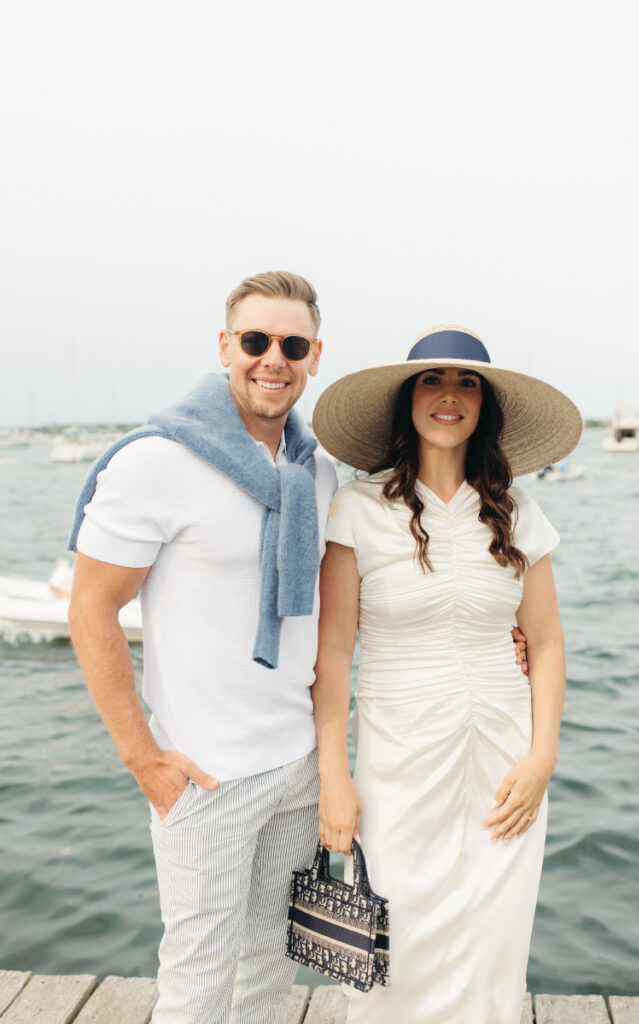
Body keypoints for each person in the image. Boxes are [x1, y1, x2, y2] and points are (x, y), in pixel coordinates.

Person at [68, 271, 338, 1024]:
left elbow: (342, 607)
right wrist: (141, 756)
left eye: (291, 344)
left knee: (267, 970)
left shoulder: (315, 469)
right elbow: (92, 609)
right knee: (196, 981)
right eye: (255, 341)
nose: (271, 359)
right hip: (205, 775)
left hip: (296, 767)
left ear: (315, 356)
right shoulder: (157, 460)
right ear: (226, 346)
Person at [310, 325, 582, 1024]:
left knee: (492, 943)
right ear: (407, 399)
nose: (449, 396)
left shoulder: (517, 512)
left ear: (484, 406)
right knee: (394, 938)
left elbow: (546, 643)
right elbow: (333, 650)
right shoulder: (358, 508)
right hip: (397, 756)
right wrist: (333, 777)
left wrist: (541, 758)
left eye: (467, 384)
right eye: (433, 380)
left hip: (504, 757)